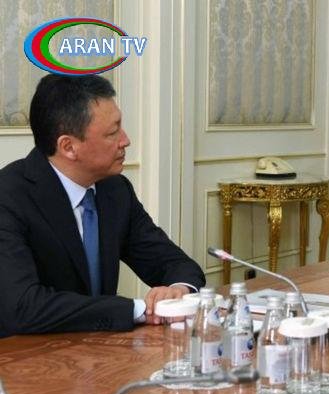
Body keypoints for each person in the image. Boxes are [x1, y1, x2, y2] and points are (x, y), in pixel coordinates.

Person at [0, 74, 205, 337]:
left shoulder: (115, 190)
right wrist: (138, 309)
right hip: (26, 354)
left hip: (99, 350)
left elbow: (173, 262)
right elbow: (22, 308)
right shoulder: (9, 197)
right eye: (112, 133)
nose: (125, 140)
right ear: (68, 146)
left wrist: (178, 290)